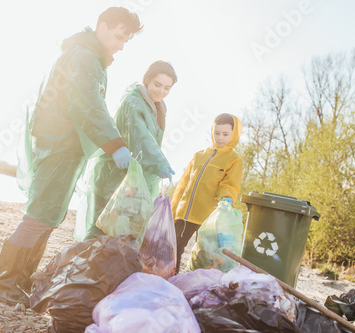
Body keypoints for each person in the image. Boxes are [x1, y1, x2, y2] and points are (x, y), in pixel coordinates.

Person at [0, 7, 143, 307]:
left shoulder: (93, 60)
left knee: (48, 218)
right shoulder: (83, 56)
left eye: (126, 41)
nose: (121, 45)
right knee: (38, 216)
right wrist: (115, 145)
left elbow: (92, 105)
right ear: (102, 26)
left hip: (68, 147)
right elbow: (87, 105)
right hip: (59, 143)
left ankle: (19, 283)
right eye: (119, 36)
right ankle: (3, 285)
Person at [82, 60, 177, 240]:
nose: (161, 91)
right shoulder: (133, 102)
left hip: (133, 177)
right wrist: (160, 163)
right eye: (157, 85)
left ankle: (109, 265)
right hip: (115, 174)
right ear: (147, 80)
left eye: (167, 88)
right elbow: (140, 137)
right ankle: (81, 264)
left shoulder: (158, 107)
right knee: (103, 224)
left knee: (124, 227)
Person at [171, 113, 243, 273]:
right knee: (174, 245)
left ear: (234, 134)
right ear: (212, 131)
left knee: (205, 254)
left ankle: (199, 282)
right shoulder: (199, 156)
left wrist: (227, 198)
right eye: (217, 133)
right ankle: (170, 277)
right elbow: (183, 184)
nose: (220, 137)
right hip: (186, 213)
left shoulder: (233, 159)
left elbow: (230, 184)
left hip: (209, 217)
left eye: (225, 134)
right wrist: (174, 207)